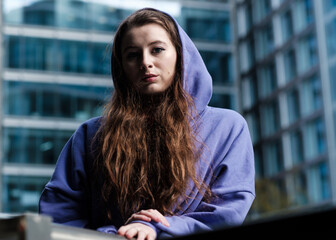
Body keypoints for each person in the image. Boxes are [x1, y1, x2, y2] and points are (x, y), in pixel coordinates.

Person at [39, 8, 255, 240]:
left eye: (157, 50)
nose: (145, 62)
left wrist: (158, 227)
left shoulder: (227, 127)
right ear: (121, 67)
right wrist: (118, 234)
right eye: (132, 55)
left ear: (181, 54)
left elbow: (228, 212)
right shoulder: (90, 135)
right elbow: (58, 216)